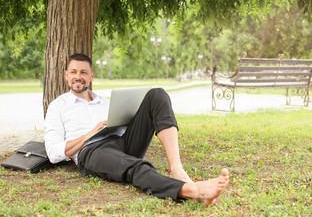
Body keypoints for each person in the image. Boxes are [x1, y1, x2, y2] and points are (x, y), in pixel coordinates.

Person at [44, 53, 229, 205]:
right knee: (136, 167)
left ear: (91, 76)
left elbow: (125, 125)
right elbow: (53, 153)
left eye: (83, 72)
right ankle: (193, 191)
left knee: (157, 94)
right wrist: (90, 134)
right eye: (73, 72)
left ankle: (176, 168)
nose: (78, 76)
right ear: (66, 75)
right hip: (91, 152)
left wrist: (131, 118)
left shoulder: (105, 102)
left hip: (121, 142)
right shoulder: (58, 106)